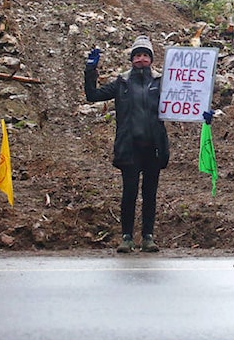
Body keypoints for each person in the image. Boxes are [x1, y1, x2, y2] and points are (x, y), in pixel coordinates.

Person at [85, 35, 201, 253]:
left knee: (150, 194)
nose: (141, 59)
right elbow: (92, 95)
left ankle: (148, 237)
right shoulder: (121, 83)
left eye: (145, 55)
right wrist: (90, 71)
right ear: (131, 59)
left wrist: (203, 113)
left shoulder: (162, 83)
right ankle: (127, 237)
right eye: (137, 55)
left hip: (153, 148)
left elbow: (187, 99)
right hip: (129, 148)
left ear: (151, 59)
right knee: (129, 193)